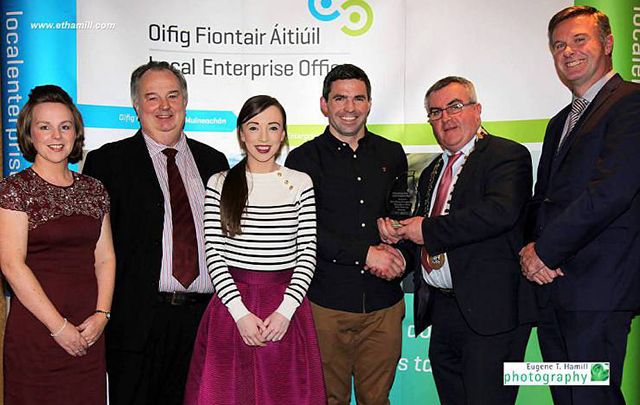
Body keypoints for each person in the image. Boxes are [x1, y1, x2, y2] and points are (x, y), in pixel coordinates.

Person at [379, 76, 536, 405]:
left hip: (491, 314)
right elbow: (423, 233)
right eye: (435, 112)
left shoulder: (507, 155)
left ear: (477, 111)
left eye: (455, 107)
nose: (446, 118)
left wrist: (425, 230)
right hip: (443, 310)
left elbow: (498, 213)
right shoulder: (432, 171)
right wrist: (397, 251)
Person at [82, 61, 229, 404]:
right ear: (136, 106)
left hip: (203, 320)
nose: (164, 106)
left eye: (172, 96)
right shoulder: (106, 163)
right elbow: (92, 250)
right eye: (152, 97)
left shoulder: (215, 162)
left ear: (185, 101)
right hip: (136, 325)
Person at [520, 6, 640, 405]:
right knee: (567, 399)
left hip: (598, 293)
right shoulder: (560, 122)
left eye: (579, 40)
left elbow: (612, 191)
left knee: (593, 399)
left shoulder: (632, 103)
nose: (568, 51)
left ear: (607, 43)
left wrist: (545, 251)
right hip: (552, 292)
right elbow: (543, 199)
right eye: (558, 45)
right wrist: (529, 252)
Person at [184, 95, 325, 404]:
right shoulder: (220, 183)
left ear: (284, 134)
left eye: (273, 128)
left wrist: (285, 312)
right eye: (254, 127)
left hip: (286, 308)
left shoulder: (300, 182)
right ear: (241, 133)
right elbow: (215, 255)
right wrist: (240, 314)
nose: (263, 138)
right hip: (233, 309)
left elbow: (307, 253)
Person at [286, 64, 407, 405]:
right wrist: (366, 253)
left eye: (358, 98)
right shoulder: (302, 159)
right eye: (340, 98)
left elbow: (402, 215)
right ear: (324, 104)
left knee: (376, 399)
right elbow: (305, 228)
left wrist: (400, 255)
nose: (349, 108)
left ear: (369, 103)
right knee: (328, 399)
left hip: (384, 303)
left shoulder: (392, 154)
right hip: (326, 304)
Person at [0, 85, 115, 404]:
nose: (56, 136)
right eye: (44, 126)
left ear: (76, 132)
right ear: (29, 133)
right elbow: (11, 264)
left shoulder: (94, 189)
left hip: (89, 332)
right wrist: (58, 327)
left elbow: (105, 258)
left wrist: (102, 315)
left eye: (65, 126)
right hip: (37, 332)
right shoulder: (14, 190)